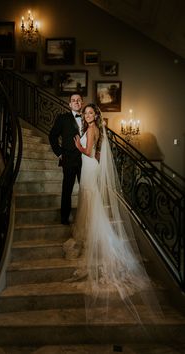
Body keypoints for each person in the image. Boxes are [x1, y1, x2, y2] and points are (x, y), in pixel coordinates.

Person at [63, 103, 162, 327]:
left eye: (90, 113)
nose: (87, 115)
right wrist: (87, 149)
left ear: (95, 115)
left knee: (89, 197)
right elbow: (96, 152)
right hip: (92, 165)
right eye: (85, 113)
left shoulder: (90, 130)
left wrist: (78, 145)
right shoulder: (96, 129)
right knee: (90, 198)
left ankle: (96, 236)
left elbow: (88, 151)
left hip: (88, 164)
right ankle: (92, 233)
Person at [49, 92, 83, 225]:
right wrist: (59, 153)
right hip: (68, 159)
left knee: (86, 190)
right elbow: (52, 136)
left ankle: (85, 217)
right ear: (70, 104)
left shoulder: (88, 118)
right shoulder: (62, 118)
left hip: (85, 160)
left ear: (82, 103)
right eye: (73, 100)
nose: (76, 102)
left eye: (79, 100)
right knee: (67, 190)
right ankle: (64, 218)